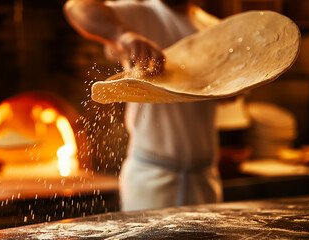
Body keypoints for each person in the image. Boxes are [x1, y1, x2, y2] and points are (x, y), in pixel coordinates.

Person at [64, 0, 223, 211]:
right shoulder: (141, 13)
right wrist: (124, 35)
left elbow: (226, 95)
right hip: (151, 178)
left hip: (205, 178)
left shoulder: (214, 28)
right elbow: (76, 8)